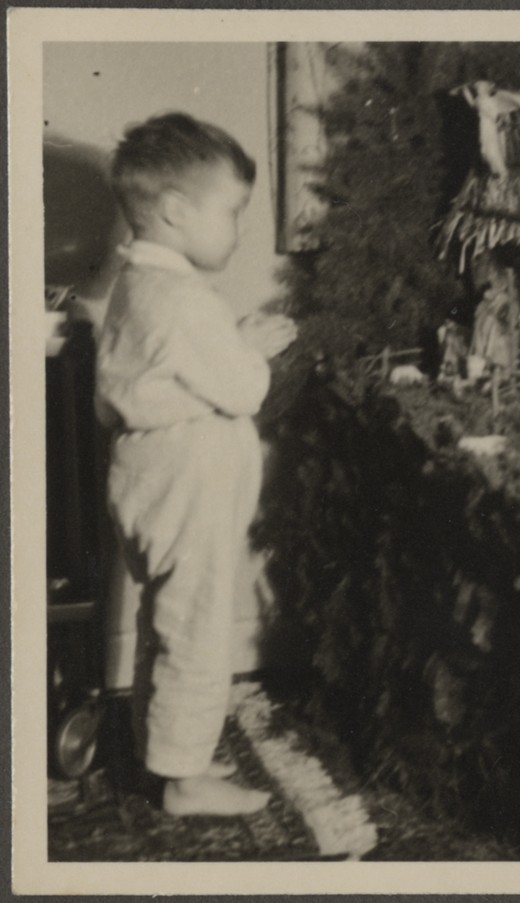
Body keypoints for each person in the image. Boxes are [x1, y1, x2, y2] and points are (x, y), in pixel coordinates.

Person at [96, 113, 296, 817]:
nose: (239, 230)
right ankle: (183, 781)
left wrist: (230, 341)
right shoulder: (181, 298)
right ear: (176, 211)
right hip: (187, 489)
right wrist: (254, 352)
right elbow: (240, 388)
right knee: (200, 624)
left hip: (154, 483)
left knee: (169, 617)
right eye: (233, 211)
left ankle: (166, 752)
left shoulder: (138, 286)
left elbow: (175, 369)